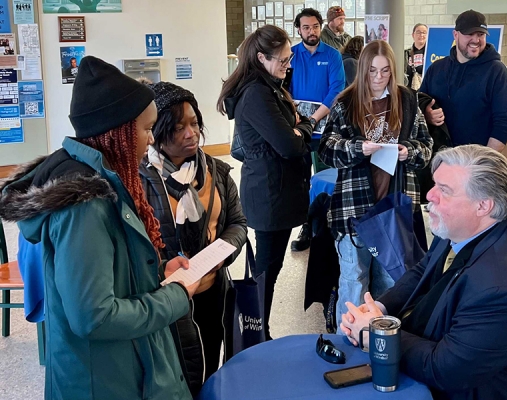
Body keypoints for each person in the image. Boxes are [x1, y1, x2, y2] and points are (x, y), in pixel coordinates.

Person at [0, 56, 199, 399]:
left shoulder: (106, 181)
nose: (151, 139)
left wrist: (157, 274)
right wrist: (175, 296)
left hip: (121, 368)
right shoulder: (85, 204)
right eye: (146, 129)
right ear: (119, 133)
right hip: (106, 381)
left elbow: (109, 274)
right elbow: (94, 316)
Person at [340, 145, 507, 400]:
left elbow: (442, 369)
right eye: (435, 184)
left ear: (483, 205)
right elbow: (423, 270)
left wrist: (377, 333)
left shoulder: (502, 291)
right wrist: (381, 308)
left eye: (444, 191)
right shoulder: (466, 227)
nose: (430, 195)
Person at [139, 81, 247, 396]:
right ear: (158, 131)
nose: (192, 133)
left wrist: (220, 254)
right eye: (179, 127)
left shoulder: (218, 173)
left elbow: (238, 223)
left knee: (212, 365)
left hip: (215, 292)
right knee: (177, 375)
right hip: (166, 304)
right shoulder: (140, 182)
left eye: (195, 123)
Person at [319, 40, 433, 329]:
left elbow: (426, 145)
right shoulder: (346, 103)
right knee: (354, 277)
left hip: (393, 209)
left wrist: (410, 151)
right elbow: (327, 149)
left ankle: (382, 341)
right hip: (354, 210)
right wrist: (359, 148)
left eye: (385, 71)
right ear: (363, 70)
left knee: (389, 281)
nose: (379, 77)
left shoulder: (407, 100)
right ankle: (350, 337)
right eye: (372, 71)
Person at [216, 25, 313, 340]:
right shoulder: (257, 93)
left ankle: (259, 330)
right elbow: (289, 144)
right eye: (282, 61)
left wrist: (299, 128)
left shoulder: (268, 85)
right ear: (261, 58)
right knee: (265, 272)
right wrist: (305, 128)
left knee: (269, 269)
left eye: (289, 59)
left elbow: (290, 133)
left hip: (277, 190)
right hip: (270, 194)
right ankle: (257, 333)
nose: (288, 66)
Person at [419, 10, 507, 152]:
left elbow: (505, 123)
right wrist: (427, 115)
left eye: (481, 34)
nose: (476, 40)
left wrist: (482, 161)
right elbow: (419, 103)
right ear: (455, 34)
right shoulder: (436, 69)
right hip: (437, 159)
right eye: (470, 34)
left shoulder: (498, 73)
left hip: (474, 162)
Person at [288, 7, 345, 252]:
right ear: (298, 29)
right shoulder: (290, 55)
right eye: (305, 27)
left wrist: (314, 118)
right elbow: (283, 87)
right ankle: (306, 226)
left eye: (314, 26)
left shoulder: (333, 56)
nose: (311, 31)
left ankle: (328, 224)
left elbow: (336, 89)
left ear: (321, 27)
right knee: (301, 181)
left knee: (325, 179)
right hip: (298, 128)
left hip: (325, 129)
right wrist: (296, 114)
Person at [404, 23, 428, 90]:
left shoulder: (431, 54)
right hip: (409, 90)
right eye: (418, 32)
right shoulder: (405, 53)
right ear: (413, 35)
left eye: (424, 33)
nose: (421, 35)